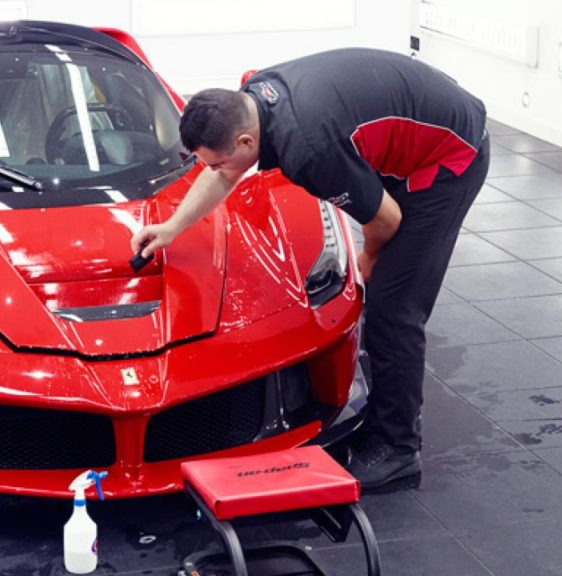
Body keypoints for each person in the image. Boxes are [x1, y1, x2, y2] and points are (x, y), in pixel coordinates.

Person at [131, 48, 489, 491]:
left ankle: (398, 450)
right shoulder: (250, 100)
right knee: (386, 296)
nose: (216, 170)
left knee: (394, 310)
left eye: (218, 160)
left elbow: (386, 220)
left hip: (452, 156)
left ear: (245, 142)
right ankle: (383, 418)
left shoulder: (310, 150)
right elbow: (222, 172)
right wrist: (172, 228)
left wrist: (369, 259)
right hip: (418, 125)